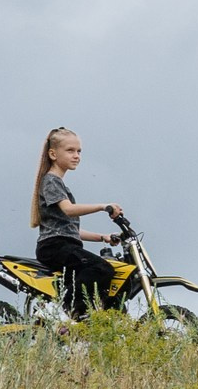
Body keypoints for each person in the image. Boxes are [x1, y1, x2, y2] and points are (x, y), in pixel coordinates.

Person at [30, 126, 127, 315]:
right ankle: (66, 312)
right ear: (53, 154)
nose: (76, 156)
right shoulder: (51, 181)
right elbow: (68, 210)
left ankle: (81, 312)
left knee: (99, 269)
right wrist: (102, 206)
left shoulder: (60, 185)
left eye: (79, 151)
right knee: (102, 268)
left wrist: (103, 237)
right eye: (70, 150)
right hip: (54, 247)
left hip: (63, 244)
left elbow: (70, 230)